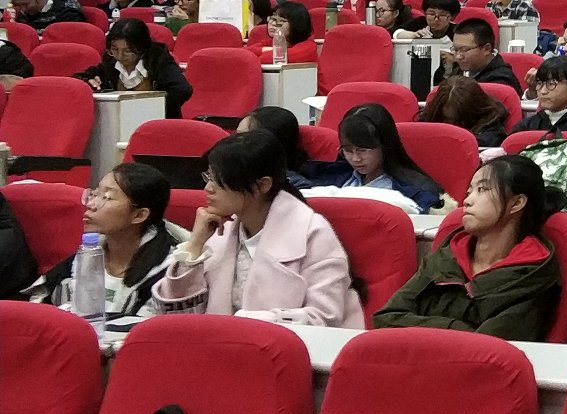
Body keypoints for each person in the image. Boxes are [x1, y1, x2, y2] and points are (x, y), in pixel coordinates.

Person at [149, 130, 364, 325]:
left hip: (295, 350)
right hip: (223, 346)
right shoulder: (222, 232)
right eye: (209, 177)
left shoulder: (313, 233)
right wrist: (195, 244)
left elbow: (325, 317)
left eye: (220, 179)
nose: (208, 188)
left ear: (263, 185)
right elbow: (176, 315)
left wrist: (252, 322)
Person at [372, 154, 564, 339]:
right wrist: (458, 327)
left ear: (516, 203)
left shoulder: (532, 277)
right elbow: (385, 318)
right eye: (470, 191)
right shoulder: (446, 257)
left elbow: (486, 345)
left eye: (482, 189)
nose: (467, 200)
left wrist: (423, 326)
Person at [31, 163, 186, 317]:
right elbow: (39, 304)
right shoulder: (88, 253)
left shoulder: (169, 273)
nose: (90, 205)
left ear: (139, 215)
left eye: (106, 197)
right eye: (94, 193)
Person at [301, 102, 443, 210]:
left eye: (363, 150)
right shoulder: (330, 176)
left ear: (385, 146)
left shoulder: (417, 191)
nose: (356, 159)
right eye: (348, 150)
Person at [73, 17, 193, 117]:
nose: (120, 56)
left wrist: (155, 109)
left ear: (141, 47)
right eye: (115, 49)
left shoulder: (159, 60)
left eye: (127, 51)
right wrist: (88, 82)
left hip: (154, 123)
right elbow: (76, 80)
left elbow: (183, 89)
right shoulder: (110, 62)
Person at [420, 75, 513, 151]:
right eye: (447, 118)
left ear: (472, 112)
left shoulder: (492, 130)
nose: (452, 124)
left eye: (457, 120)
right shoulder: (431, 118)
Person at [438, 18, 522, 94]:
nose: (458, 57)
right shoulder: (461, 70)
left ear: (486, 49)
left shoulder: (501, 80)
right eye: (455, 50)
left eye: (464, 50)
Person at [237, 107, 312, 188]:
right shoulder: (236, 169)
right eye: (237, 134)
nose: (233, 142)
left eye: (242, 137)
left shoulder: (298, 186)